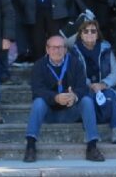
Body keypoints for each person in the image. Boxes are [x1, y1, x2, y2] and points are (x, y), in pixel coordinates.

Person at [24, 35, 105, 163]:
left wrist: (74, 96)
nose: (57, 50)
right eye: (53, 47)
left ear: (66, 49)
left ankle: (92, 146)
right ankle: (30, 146)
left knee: (87, 101)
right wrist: (55, 98)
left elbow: (82, 87)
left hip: (70, 112)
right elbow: (37, 90)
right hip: (49, 113)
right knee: (38, 102)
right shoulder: (39, 66)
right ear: (47, 49)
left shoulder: (75, 63)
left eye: (60, 47)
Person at [70, 18, 116, 144]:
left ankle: (115, 130)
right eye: (86, 31)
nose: (89, 34)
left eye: (93, 31)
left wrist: (103, 84)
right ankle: (90, 132)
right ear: (80, 34)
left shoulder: (106, 49)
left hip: (104, 87)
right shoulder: (74, 52)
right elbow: (74, 74)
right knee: (86, 99)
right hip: (84, 88)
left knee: (110, 96)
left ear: (97, 34)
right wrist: (90, 85)